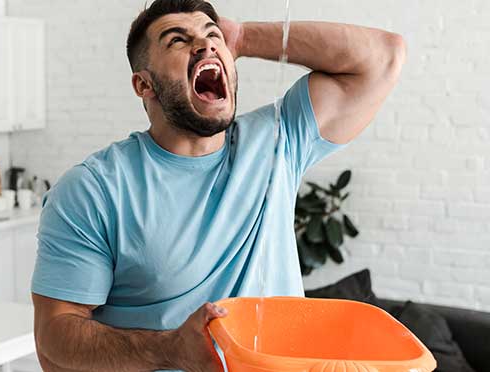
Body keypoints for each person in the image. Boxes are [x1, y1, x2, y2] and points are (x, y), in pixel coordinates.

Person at [30, 0, 406, 371]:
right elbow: (54, 338)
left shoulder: (277, 141)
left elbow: (383, 57)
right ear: (144, 84)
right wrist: (168, 349)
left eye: (213, 37)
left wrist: (242, 37)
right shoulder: (93, 190)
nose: (206, 45)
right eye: (177, 40)